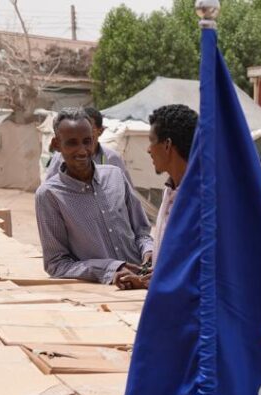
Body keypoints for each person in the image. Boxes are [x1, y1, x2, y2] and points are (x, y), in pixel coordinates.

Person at [35, 108, 153, 286]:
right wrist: (110, 269)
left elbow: (142, 233)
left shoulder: (116, 176)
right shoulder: (49, 196)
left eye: (87, 141)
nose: (82, 151)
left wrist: (148, 252)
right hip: (102, 295)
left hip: (145, 285)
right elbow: (56, 264)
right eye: (72, 143)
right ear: (56, 144)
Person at [117, 104, 199, 290]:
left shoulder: (201, 201)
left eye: (151, 141)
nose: (148, 150)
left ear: (167, 145)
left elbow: (197, 271)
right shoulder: (170, 190)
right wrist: (144, 277)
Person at [44, 106, 132, 184]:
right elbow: (50, 188)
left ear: (100, 131)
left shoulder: (113, 158)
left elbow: (127, 192)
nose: (82, 132)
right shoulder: (60, 157)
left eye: (89, 128)